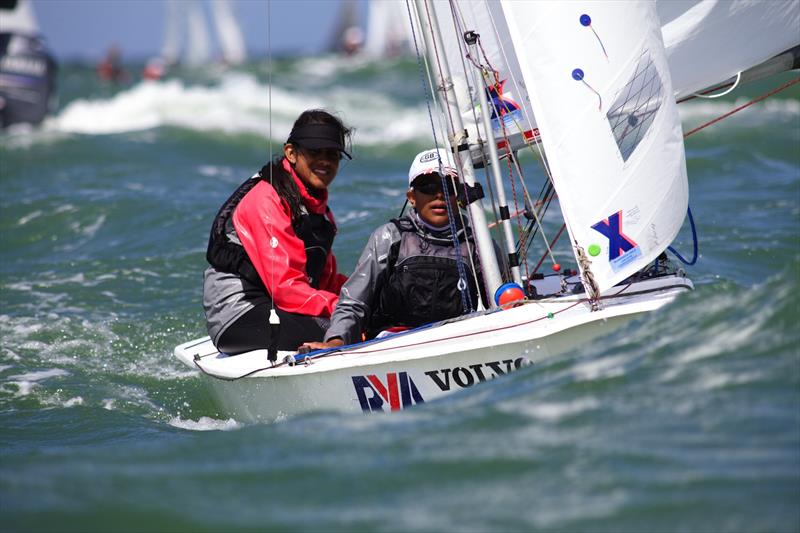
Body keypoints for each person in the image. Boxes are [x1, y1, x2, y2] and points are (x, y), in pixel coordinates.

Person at [303, 148, 500, 351]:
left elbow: (502, 302)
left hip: (454, 343)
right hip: (392, 343)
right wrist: (336, 340)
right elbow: (354, 301)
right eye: (427, 186)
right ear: (412, 197)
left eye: (448, 186)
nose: (439, 194)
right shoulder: (389, 237)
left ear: (459, 195)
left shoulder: (477, 243)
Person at [203, 109, 352, 356]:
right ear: (291, 153)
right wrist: (345, 309)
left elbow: (325, 281)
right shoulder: (267, 199)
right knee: (346, 327)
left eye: (333, 155)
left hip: (280, 308)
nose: (325, 161)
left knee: (361, 318)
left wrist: (364, 295)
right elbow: (286, 289)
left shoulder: (317, 209)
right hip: (239, 314)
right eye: (315, 152)